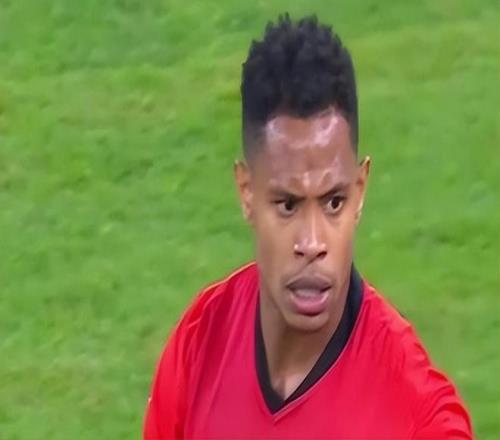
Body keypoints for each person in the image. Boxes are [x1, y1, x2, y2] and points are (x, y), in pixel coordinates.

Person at [143, 15, 472, 439]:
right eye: (288, 205)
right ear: (247, 192)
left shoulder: (422, 420)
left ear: (360, 191)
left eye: (334, 203)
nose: (313, 243)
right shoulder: (200, 343)